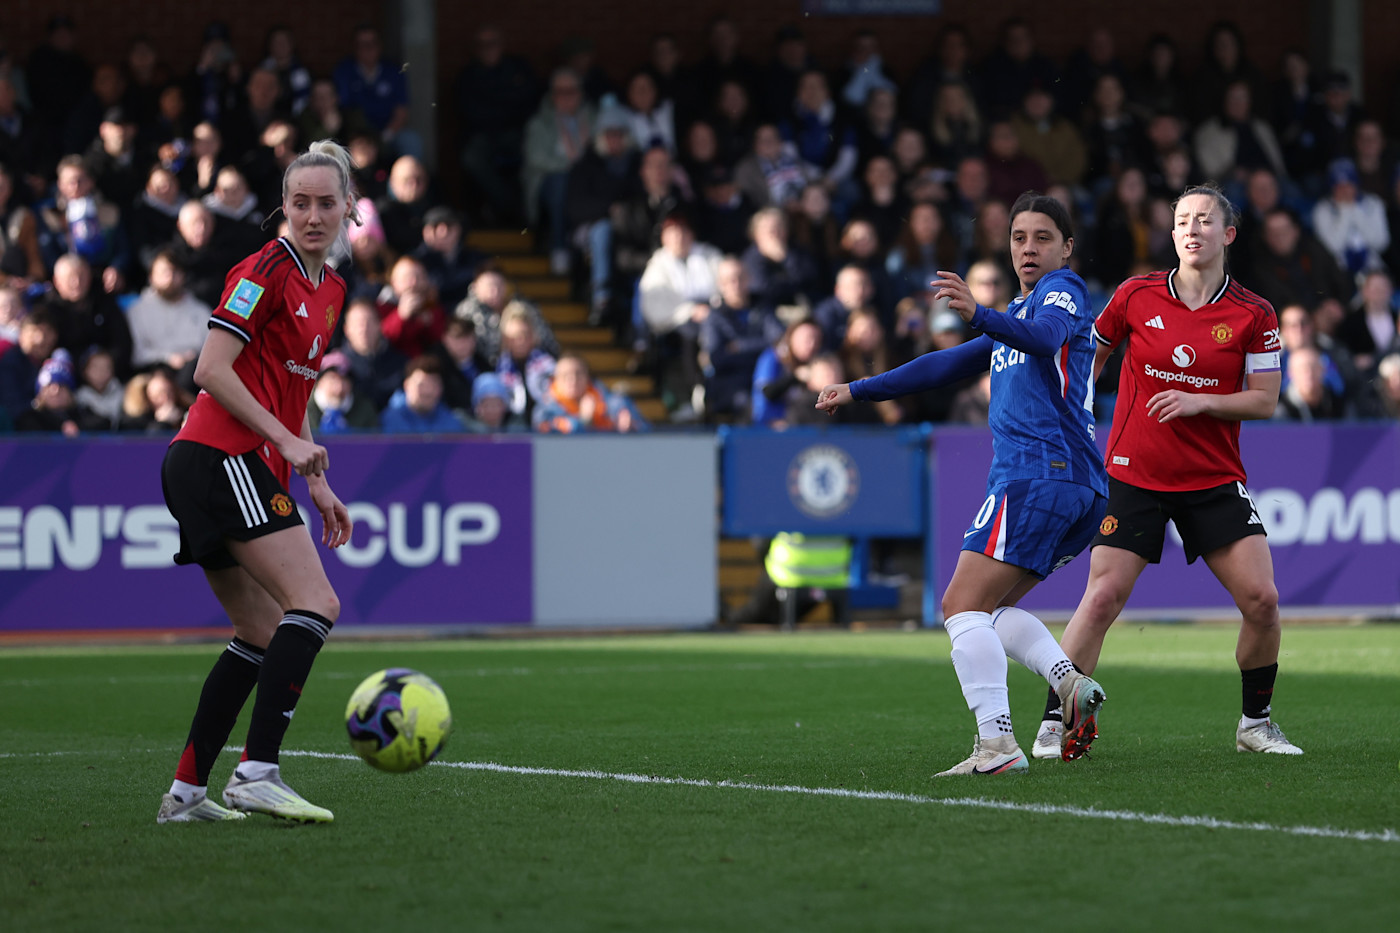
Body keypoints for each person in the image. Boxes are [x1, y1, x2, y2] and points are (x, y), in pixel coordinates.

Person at [816, 192, 1109, 775]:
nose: (1028, 247)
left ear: (1067, 248)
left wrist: (978, 313)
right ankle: (1067, 683)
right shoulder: (1017, 316)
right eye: (1019, 237)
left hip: (1036, 475)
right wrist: (860, 389)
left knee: (957, 605)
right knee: (988, 609)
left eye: (1043, 237)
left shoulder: (1062, 292)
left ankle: (997, 744)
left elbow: (1049, 337)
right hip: (1072, 485)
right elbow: (942, 365)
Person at [1034, 184, 1302, 759]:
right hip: (1135, 473)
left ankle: (1255, 724)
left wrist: (1200, 401)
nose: (1191, 228)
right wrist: (1076, 409)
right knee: (1102, 598)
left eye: (1205, 220)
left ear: (1227, 235)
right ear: (1172, 232)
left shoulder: (1254, 313)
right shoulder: (1136, 294)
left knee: (1262, 600)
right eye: (1182, 219)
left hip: (1213, 478)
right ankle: (1056, 720)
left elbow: (1264, 400)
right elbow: (1092, 351)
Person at [155, 139, 358, 825]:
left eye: (325, 202)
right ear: (284, 206)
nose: (311, 214)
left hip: (233, 460)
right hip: (217, 454)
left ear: (348, 208)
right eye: (299, 202)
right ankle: (257, 770)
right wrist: (286, 440)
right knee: (316, 600)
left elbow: (294, 393)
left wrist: (317, 481)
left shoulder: (330, 289)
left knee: (262, 627)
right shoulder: (264, 268)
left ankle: (185, 794)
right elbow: (211, 369)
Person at [379, 355, 467, 434]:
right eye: (421, 385)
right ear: (406, 385)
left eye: (433, 385)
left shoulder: (451, 422)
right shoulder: (389, 420)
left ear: (441, 389)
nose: (427, 391)